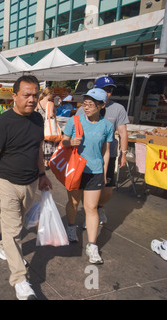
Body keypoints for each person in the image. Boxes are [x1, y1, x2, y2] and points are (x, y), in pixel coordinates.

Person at [0, 75, 52, 300]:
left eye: (35, 95)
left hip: (31, 183)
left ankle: (5, 248)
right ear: (14, 96)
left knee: (17, 227)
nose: (32, 99)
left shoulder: (38, 120)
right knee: (13, 231)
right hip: (7, 185)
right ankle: (20, 281)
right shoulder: (0, 123)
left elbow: (38, 150)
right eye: (26, 95)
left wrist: (42, 175)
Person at [63, 88, 114, 264]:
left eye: (90, 104)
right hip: (76, 169)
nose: (86, 107)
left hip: (96, 171)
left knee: (91, 208)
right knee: (74, 203)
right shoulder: (74, 120)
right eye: (84, 104)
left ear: (101, 105)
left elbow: (106, 152)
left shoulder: (107, 126)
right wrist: (70, 142)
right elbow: (63, 141)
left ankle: (92, 246)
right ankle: (71, 227)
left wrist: (105, 173)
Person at [76, 76, 129, 226]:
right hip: (86, 155)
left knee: (107, 191)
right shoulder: (83, 108)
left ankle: (98, 207)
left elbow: (123, 132)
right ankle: (89, 212)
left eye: (110, 90)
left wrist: (123, 153)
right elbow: (76, 127)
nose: (108, 93)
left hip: (108, 155)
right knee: (85, 189)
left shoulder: (118, 108)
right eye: (105, 89)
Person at [36, 87, 57, 169]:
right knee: (48, 143)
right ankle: (46, 162)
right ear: (50, 94)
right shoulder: (50, 103)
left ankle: (39, 160)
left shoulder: (38, 103)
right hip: (48, 126)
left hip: (40, 125)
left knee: (41, 143)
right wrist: (55, 112)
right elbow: (51, 115)